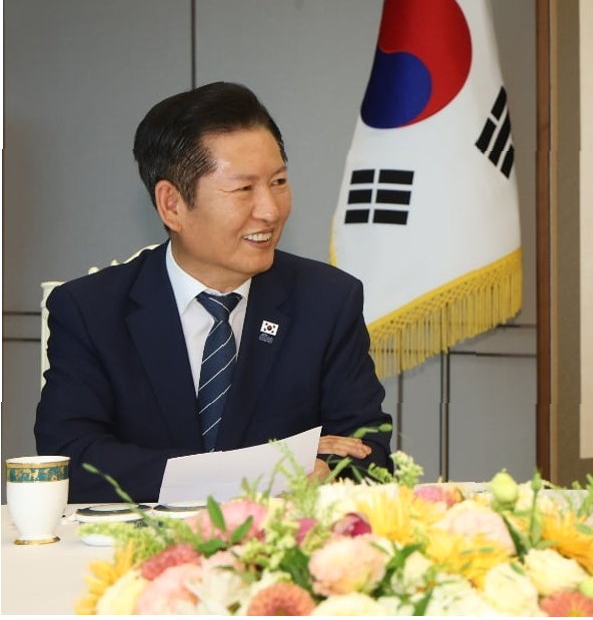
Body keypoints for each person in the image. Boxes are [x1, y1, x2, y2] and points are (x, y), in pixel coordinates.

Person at [35, 82, 393, 503]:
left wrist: (322, 470)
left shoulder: (327, 301)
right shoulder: (90, 311)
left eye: (278, 181)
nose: (270, 210)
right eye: (244, 189)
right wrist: (258, 471)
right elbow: (72, 462)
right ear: (172, 204)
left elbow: (368, 456)